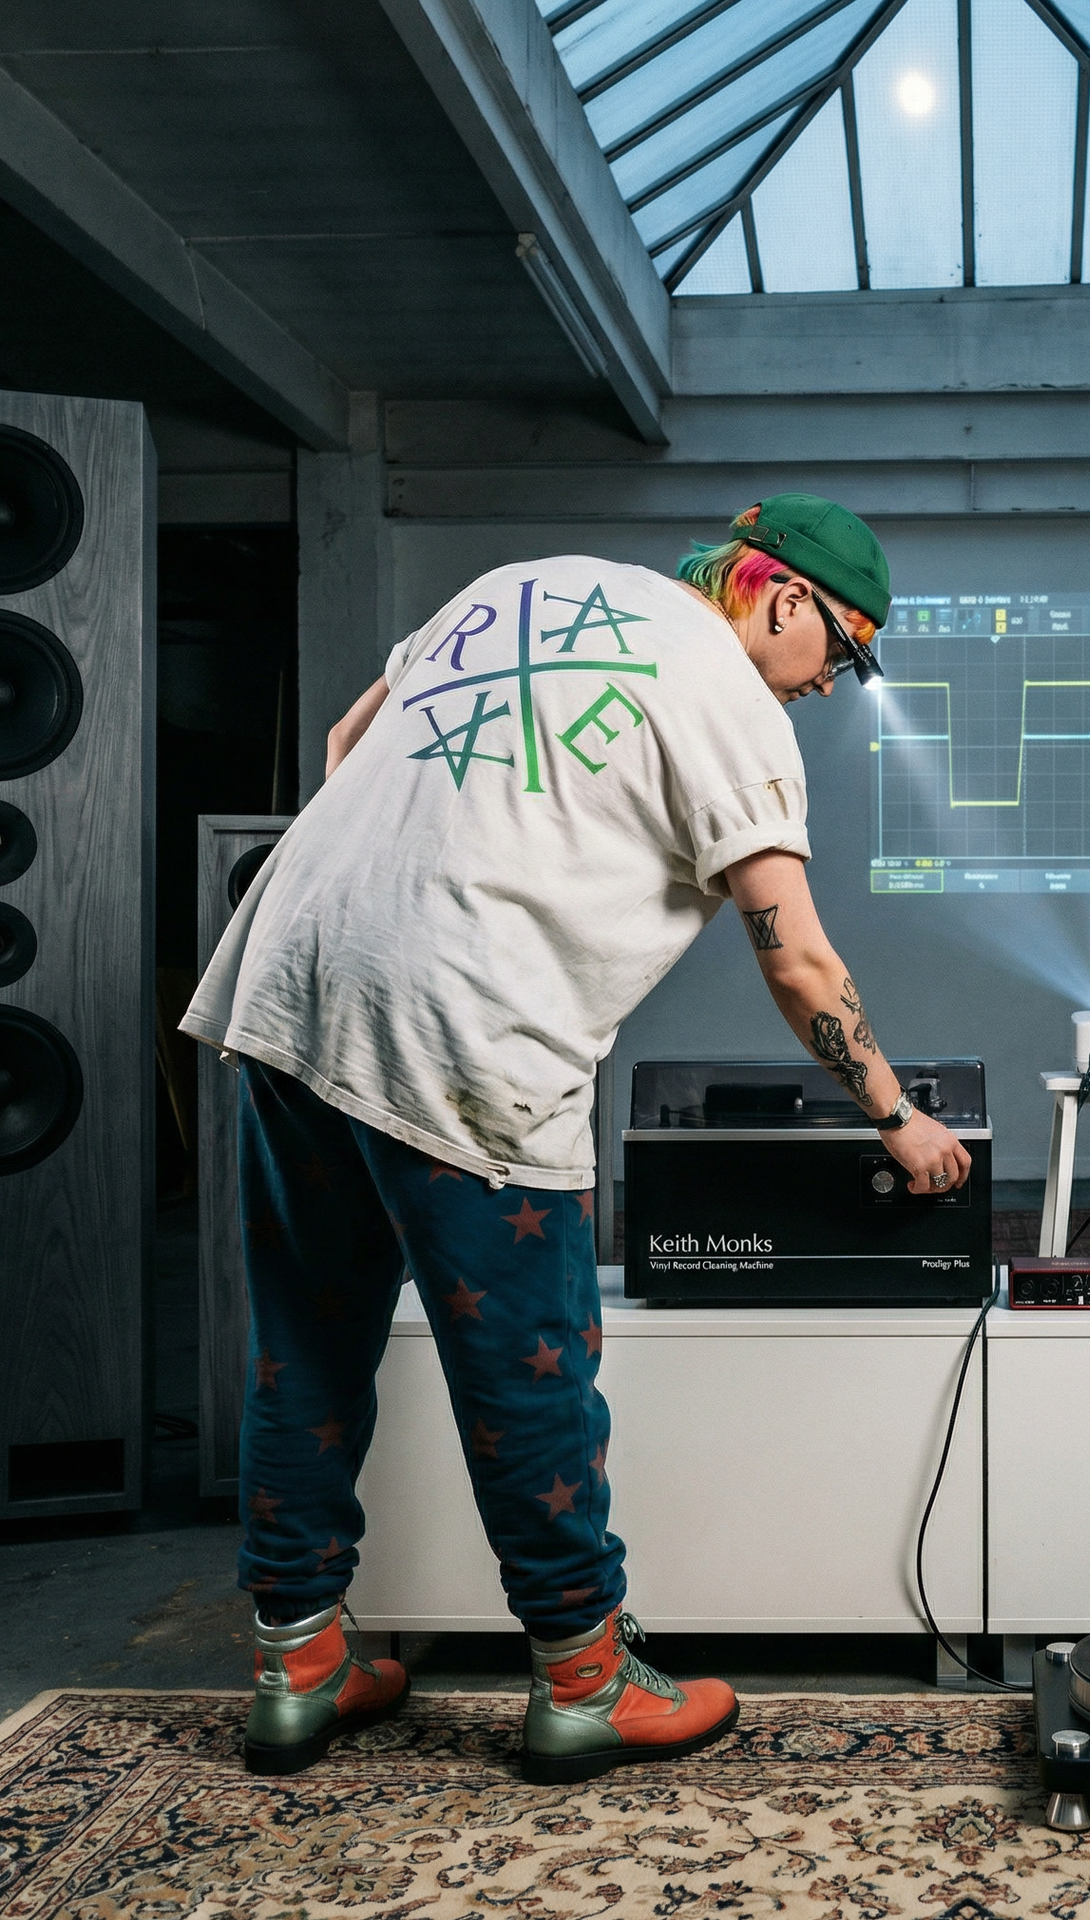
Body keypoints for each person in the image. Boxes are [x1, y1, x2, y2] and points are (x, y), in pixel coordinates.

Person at [181, 495, 970, 1783]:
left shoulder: (526, 578)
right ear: (779, 598)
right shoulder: (733, 703)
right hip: (467, 1024)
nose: (831, 684)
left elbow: (347, 741)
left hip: (288, 979)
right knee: (529, 1370)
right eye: (843, 649)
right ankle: (587, 1680)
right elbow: (803, 968)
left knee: (305, 1344)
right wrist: (893, 1111)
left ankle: (298, 1660)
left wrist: (407, 897)